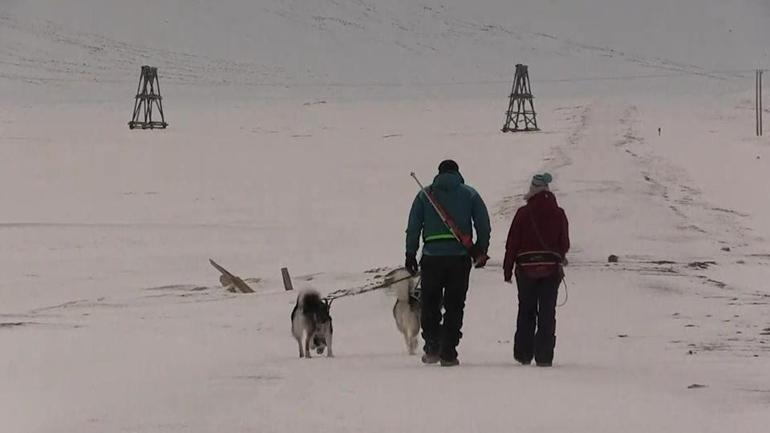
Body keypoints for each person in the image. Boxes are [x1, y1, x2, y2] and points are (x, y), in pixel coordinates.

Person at [405, 159, 491, 367]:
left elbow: (414, 227)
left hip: (431, 256)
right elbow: (483, 224)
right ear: (457, 173)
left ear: (439, 173)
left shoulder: (424, 195)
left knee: (430, 303)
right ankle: (449, 352)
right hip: (459, 257)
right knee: (454, 304)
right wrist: (480, 249)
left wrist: (410, 254)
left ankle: (432, 347)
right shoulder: (470, 193)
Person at [503, 173, 569, 367]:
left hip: (525, 269)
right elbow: (564, 243)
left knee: (526, 310)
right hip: (550, 269)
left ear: (532, 190)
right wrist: (558, 256)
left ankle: (524, 353)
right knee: (547, 312)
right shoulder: (559, 213)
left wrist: (508, 270)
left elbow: (512, 244)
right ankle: (544, 356)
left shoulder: (523, 213)